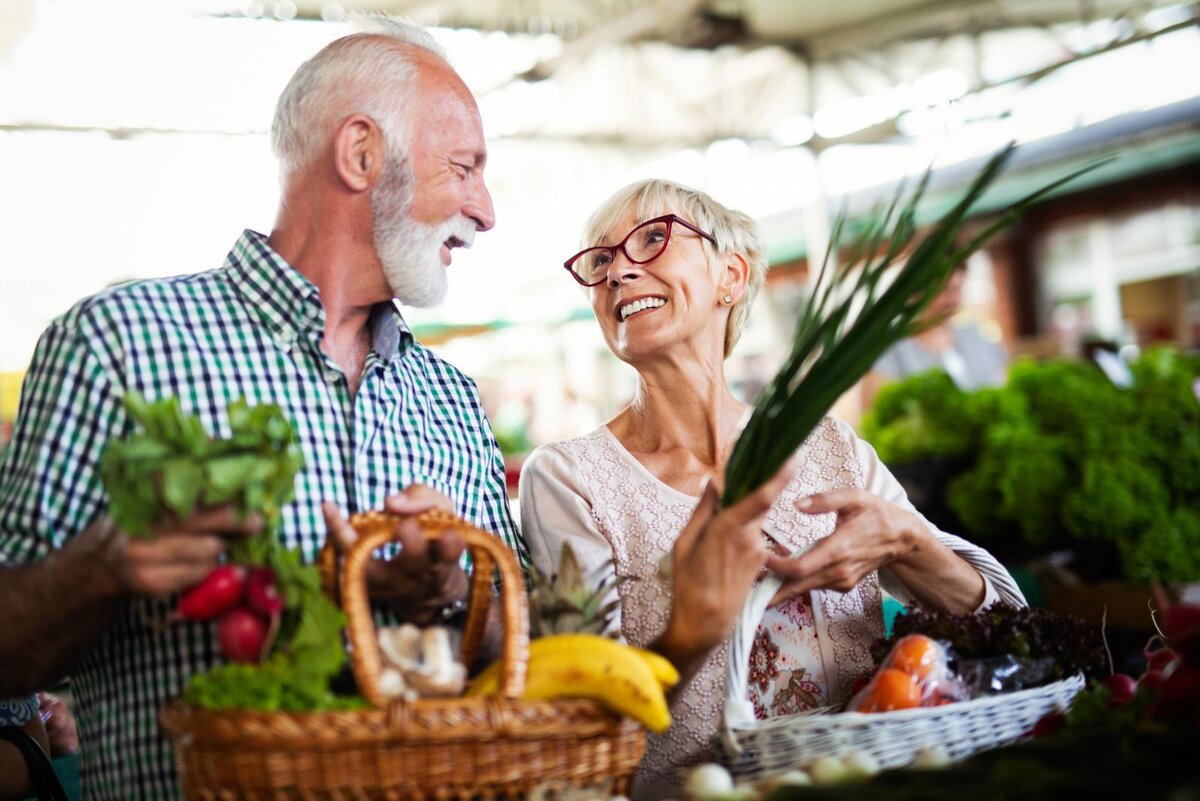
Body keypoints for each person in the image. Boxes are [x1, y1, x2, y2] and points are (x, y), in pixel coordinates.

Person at [0, 21, 524, 799]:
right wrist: (102, 569)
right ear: (360, 154)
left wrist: (450, 593)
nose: (486, 210)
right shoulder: (115, 342)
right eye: (465, 168)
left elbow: (522, 649)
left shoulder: (449, 396)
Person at [519, 180, 1026, 798]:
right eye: (600, 262)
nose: (619, 271)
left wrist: (910, 546)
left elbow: (1010, 631)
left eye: (652, 240)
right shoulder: (570, 478)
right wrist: (690, 633)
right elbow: (585, 731)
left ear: (730, 276)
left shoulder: (827, 446)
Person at [860, 260, 1008, 410]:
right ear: (916, 291)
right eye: (944, 290)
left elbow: (1003, 386)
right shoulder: (889, 350)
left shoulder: (976, 337)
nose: (953, 301)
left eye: (957, 289)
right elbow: (878, 411)